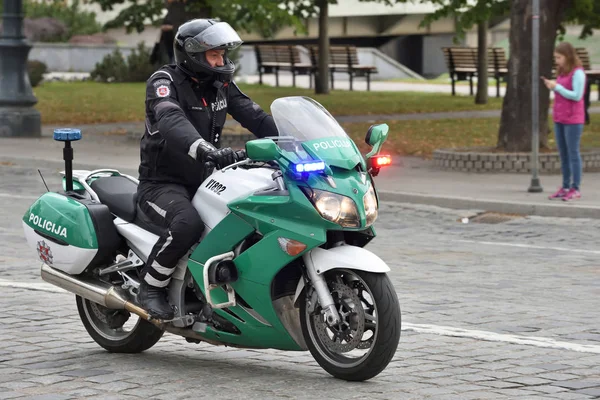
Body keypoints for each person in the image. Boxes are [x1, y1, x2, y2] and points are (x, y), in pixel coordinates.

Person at [136, 18, 279, 319]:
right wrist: (205, 150)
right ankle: (151, 287)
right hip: (161, 184)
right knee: (188, 223)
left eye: (223, 54)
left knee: (248, 215)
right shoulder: (164, 82)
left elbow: (256, 117)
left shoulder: (220, 85)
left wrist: (298, 141)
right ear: (193, 55)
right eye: (215, 55)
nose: (222, 61)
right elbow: (171, 119)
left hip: (206, 179)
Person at [542, 42, 586, 202]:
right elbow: (562, 90)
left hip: (573, 119)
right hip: (560, 117)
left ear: (568, 56)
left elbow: (576, 95)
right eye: (556, 57)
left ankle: (576, 188)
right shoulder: (562, 72)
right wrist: (553, 86)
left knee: (573, 153)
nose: (557, 61)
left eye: (559, 57)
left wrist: (558, 87)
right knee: (563, 154)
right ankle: (565, 186)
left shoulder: (578, 73)